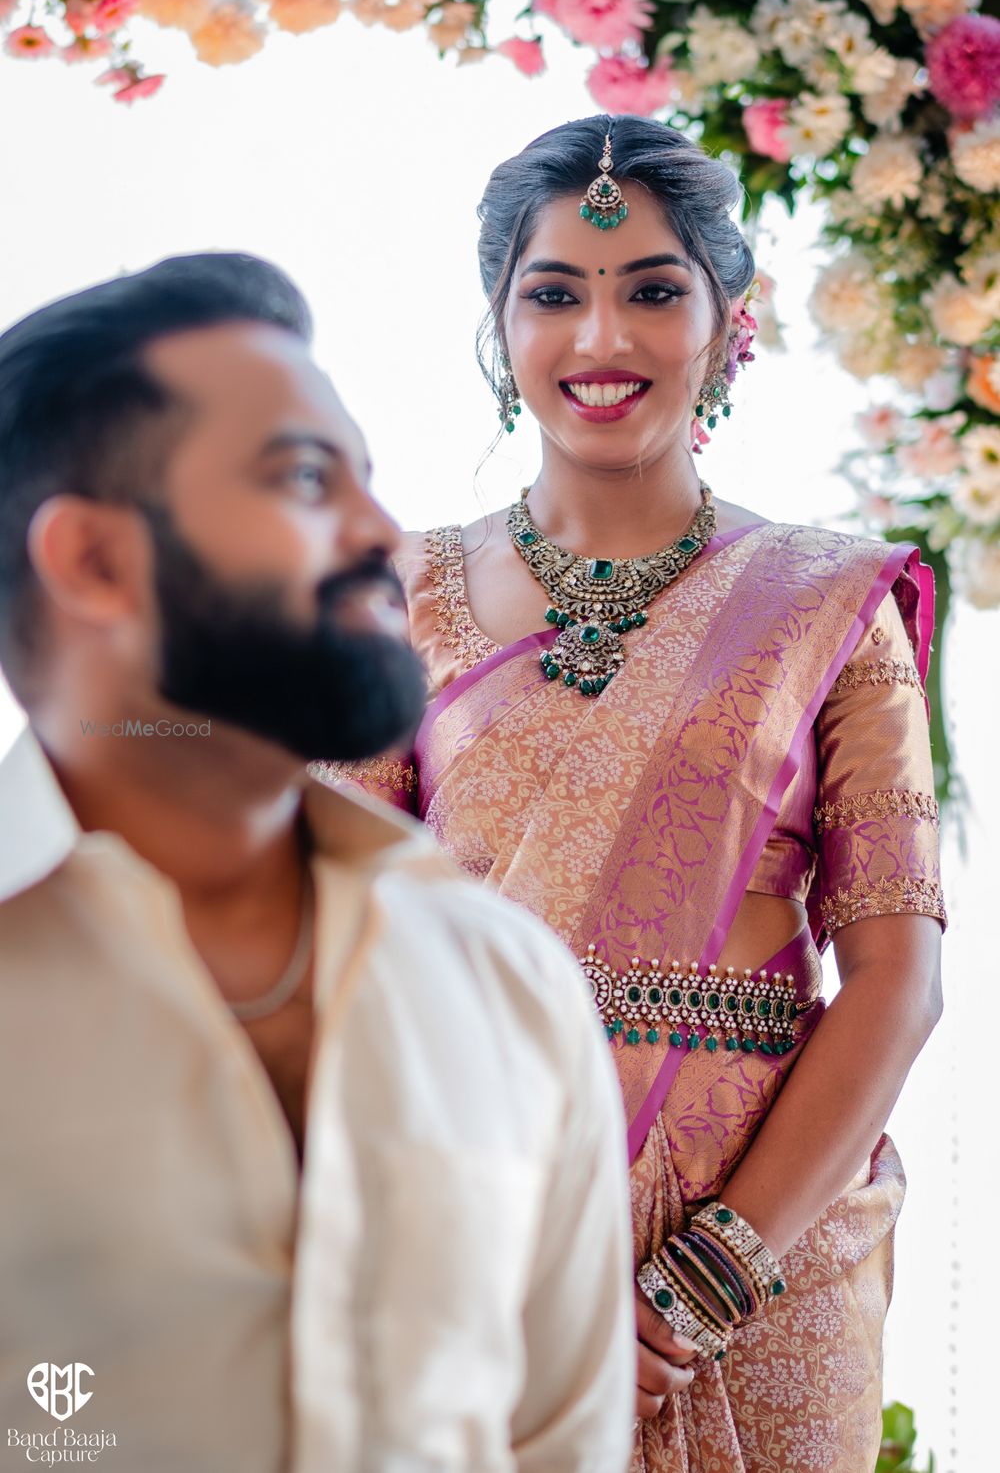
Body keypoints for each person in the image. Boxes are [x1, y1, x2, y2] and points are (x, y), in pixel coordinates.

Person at [329, 117, 946, 1473]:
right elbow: (335, 962)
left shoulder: (831, 606)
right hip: (478, 1231)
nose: (602, 338)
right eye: (555, 293)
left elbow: (898, 977)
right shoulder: (391, 600)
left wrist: (702, 1285)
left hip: (768, 1255)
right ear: (502, 327)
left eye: (653, 289)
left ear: (727, 323)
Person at [0, 253, 636, 1473]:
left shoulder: (507, 980)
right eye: (302, 478)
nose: (382, 535)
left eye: (369, 480)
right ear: (91, 561)